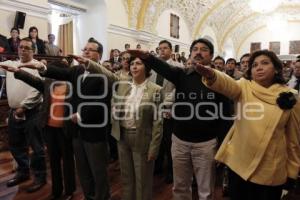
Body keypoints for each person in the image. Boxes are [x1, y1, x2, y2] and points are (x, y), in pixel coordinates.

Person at [128, 38, 232, 200]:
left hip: (206, 144)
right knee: (180, 187)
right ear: (190, 54)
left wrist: (222, 145)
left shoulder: (219, 80)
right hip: (180, 141)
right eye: (195, 49)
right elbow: (164, 67)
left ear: (211, 56)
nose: (198, 52)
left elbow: (226, 115)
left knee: (206, 190)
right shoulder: (182, 75)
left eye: (204, 49)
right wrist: (147, 57)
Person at [194, 49, 300, 200]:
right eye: (255, 65)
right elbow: (227, 84)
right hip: (239, 164)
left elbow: (293, 140)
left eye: (265, 63)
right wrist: (212, 75)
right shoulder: (244, 86)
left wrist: (291, 173)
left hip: (270, 170)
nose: (259, 67)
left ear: (276, 68)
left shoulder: (291, 96)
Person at [21, 38, 111, 200]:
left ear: (99, 55)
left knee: (98, 172)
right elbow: (60, 72)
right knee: (83, 171)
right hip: (77, 132)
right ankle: (89, 197)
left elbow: (101, 101)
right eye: (84, 49)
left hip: (94, 132)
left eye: (90, 50)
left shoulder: (103, 74)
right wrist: (41, 66)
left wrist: (82, 114)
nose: (85, 51)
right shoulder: (77, 71)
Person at [73, 54, 162, 200]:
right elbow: (106, 73)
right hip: (122, 136)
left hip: (141, 138)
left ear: (147, 68)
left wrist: (154, 147)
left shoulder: (156, 90)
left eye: (138, 63)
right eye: (132, 63)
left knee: (142, 180)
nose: (134, 66)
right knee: (126, 177)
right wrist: (89, 63)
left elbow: (158, 123)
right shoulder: (123, 82)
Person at [2, 60, 76, 199]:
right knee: (53, 162)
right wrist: (18, 72)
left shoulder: (73, 86)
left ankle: (69, 191)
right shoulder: (48, 84)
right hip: (50, 129)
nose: (51, 74)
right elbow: (33, 80)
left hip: (66, 130)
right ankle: (56, 190)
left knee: (67, 163)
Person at [0, 37, 46, 192]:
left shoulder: (37, 66)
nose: (23, 50)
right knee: (16, 145)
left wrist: (24, 107)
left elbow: (38, 90)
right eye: (21, 47)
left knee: (37, 147)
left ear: (33, 50)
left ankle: (40, 177)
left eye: (27, 48)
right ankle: (23, 172)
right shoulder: (11, 64)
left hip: (32, 112)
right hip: (14, 112)